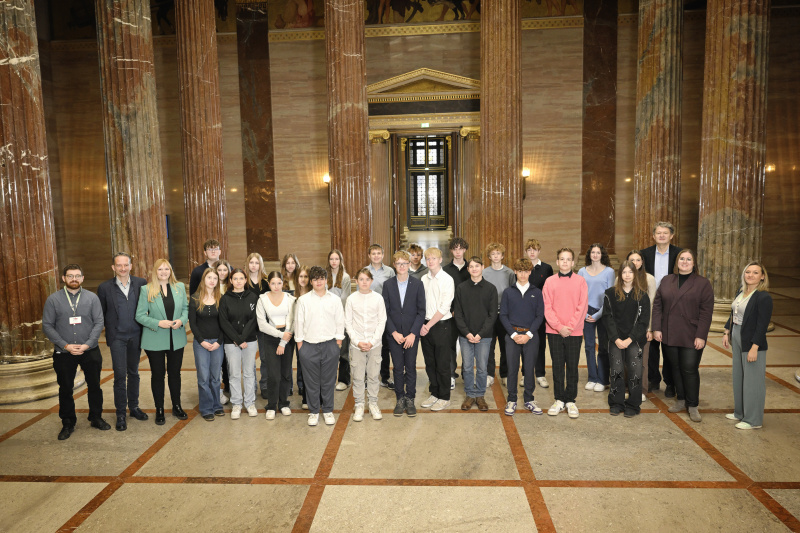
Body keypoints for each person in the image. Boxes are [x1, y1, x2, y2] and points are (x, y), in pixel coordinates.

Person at [43, 264, 108, 440]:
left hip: (90, 350)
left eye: (77, 276)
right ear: (64, 278)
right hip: (64, 352)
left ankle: (96, 417)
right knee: (65, 389)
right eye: (70, 276)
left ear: (82, 278)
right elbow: (47, 326)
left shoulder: (92, 298)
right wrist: (65, 345)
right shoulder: (53, 300)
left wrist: (87, 344)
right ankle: (68, 422)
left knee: (94, 386)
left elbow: (99, 322)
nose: (74, 279)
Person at [652, 249, 713, 423]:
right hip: (669, 332)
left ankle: (692, 404)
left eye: (688, 259)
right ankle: (681, 399)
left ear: (694, 263)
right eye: (682, 259)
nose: (685, 262)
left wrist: (701, 335)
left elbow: (706, 312)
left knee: (689, 368)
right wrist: (657, 328)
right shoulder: (666, 280)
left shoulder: (702, 283)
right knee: (675, 367)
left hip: (691, 333)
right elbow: (657, 306)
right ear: (677, 262)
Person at [96, 252, 148, 431]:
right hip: (117, 337)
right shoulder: (104, 288)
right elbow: (100, 314)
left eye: (126, 265)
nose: (123, 268)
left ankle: (133, 407)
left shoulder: (141, 283)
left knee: (134, 372)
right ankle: (120, 413)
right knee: (119, 375)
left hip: (136, 335)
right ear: (113, 267)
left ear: (131, 266)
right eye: (119, 265)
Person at [135, 259, 189, 425]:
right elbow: (140, 315)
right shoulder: (146, 289)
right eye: (160, 269)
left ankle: (177, 406)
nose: (164, 272)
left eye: (167, 269)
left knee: (175, 374)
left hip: (176, 338)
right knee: (158, 375)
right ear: (155, 272)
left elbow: (186, 309)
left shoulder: (179, 287)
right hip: (155, 339)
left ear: (170, 271)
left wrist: (181, 320)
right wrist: (158, 323)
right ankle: (159, 409)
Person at [722, 262, 773, 430]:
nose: (751, 275)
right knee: (739, 376)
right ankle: (740, 412)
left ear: (762, 276)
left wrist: (755, 347)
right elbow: (734, 312)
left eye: (755, 272)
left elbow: (762, 325)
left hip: (752, 341)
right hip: (737, 335)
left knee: (753, 381)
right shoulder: (742, 292)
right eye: (748, 272)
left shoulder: (763, 297)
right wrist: (726, 331)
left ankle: (753, 420)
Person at [295, 266, 346, 426]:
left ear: (326, 280)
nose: (319, 281)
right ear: (311, 281)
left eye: (322, 278)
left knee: (329, 380)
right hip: (308, 345)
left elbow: (340, 321)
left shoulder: (335, 299)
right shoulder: (303, 300)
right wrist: (300, 345)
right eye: (315, 279)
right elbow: (299, 322)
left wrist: (338, 342)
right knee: (311, 381)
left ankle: (328, 410)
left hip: (330, 344)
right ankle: (314, 411)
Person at [543, 248, 588, 419]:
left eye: (568, 259)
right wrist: (558, 327)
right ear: (557, 262)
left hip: (574, 332)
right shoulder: (549, 281)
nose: (565, 262)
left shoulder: (580, 281)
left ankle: (570, 400)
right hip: (554, 331)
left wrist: (569, 327)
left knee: (572, 366)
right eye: (562, 259)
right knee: (557, 366)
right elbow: (547, 306)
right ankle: (559, 399)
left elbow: (582, 306)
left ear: (573, 262)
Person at [603, 261, 650, 417]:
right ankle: (616, 402)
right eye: (624, 272)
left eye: (630, 272)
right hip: (615, 339)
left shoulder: (642, 296)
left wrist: (630, 339)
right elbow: (607, 318)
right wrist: (616, 338)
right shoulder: (610, 294)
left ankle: (633, 404)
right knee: (616, 371)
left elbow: (643, 321)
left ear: (635, 274)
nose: (627, 275)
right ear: (620, 275)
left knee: (635, 372)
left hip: (634, 340)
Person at [382, 251, 426, 417]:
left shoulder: (417, 284)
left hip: (411, 335)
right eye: (398, 263)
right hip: (394, 334)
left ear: (409, 265)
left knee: (411, 366)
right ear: (394, 265)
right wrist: (393, 332)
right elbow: (385, 312)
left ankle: (410, 398)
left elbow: (421, 312)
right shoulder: (388, 285)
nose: (401, 266)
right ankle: (400, 398)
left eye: (404, 263)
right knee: (398, 368)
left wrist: (414, 333)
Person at [499, 257, 545, 416]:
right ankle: (512, 399)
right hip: (512, 335)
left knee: (529, 368)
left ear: (530, 272)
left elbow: (540, 316)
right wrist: (513, 334)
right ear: (515, 272)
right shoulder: (508, 292)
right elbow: (503, 315)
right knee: (512, 368)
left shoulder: (537, 292)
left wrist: (529, 334)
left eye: (526, 271)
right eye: (520, 271)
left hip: (531, 336)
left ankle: (529, 399)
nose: (523, 274)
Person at [641, 222, 682, 397]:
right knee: (651, 345)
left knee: (669, 345)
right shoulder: (645, 254)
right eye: (659, 233)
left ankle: (670, 382)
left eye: (665, 233)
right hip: (651, 303)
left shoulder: (679, 254)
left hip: (672, 304)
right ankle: (653, 379)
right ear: (654, 236)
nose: (662, 236)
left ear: (671, 236)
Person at [453, 256, 498, 411]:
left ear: (482, 267)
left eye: (477, 266)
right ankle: (470, 394)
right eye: (471, 266)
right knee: (466, 367)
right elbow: (457, 313)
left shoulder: (491, 289)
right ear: (468, 269)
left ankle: (480, 395)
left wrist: (480, 334)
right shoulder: (461, 288)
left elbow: (493, 315)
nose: (474, 269)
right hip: (465, 335)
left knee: (482, 367)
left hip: (484, 336)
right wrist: (466, 333)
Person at [345, 268, 387, 421]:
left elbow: (382, 321)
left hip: (374, 344)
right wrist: (357, 341)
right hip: (357, 345)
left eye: (367, 280)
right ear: (356, 281)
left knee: (374, 375)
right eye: (361, 279)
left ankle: (373, 403)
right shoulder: (351, 299)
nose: (364, 282)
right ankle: (359, 404)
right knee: (357, 376)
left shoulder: (378, 299)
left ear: (371, 281)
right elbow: (348, 323)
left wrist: (372, 341)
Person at [219, 268, 260, 420]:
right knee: (234, 373)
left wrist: (243, 338)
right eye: (235, 279)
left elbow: (254, 319)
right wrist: (237, 339)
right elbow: (224, 321)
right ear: (230, 281)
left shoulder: (253, 297)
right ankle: (237, 403)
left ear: (245, 280)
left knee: (249, 372)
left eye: (241, 278)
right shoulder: (225, 298)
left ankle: (250, 403)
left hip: (249, 341)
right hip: (231, 342)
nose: (238, 281)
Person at [256, 272, 296, 420]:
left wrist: (284, 341)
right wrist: (280, 337)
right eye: (273, 283)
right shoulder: (262, 299)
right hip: (271, 336)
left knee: (286, 373)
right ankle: (272, 405)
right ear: (269, 284)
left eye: (279, 283)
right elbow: (262, 324)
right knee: (273, 374)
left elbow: (292, 321)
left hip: (288, 336)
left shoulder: (290, 299)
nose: (276, 286)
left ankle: (284, 403)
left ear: (282, 283)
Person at [420, 247, 455, 411]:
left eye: (433, 258)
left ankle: (444, 396)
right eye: (428, 259)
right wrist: (422, 324)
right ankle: (434, 393)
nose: (430, 261)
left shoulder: (447, 279)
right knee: (430, 363)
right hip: (425, 325)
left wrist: (427, 326)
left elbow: (444, 307)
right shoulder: (423, 279)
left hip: (442, 326)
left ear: (440, 260)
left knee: (442, 364)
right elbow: (419, 304)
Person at [188, 268, 225, 421]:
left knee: (215, 377)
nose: (212, 281)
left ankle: (217, 406)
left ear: (218, 281)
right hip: (200, 343)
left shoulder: (221, 298)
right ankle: (206, 408)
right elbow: (193, 323)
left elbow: (224, 323)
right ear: (204, 280)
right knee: (203, 377)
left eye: (215, 278)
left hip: (217, 343)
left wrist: (219, 342)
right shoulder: (195, 298)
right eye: (209, 277)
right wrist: (201, 341)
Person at [577, 243, 615, 392]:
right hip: (586, 312)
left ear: (602, 254)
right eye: (593, 252)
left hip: (603, 312)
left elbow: (610, 295)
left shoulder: (609, 271)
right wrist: (585, 314)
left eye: (598, 252)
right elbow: (579, 294)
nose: (595, 255)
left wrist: (599, 314)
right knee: (589, 346)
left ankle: (603, 379)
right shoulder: (582, 271)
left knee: (604, 347)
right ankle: (592, 377)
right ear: (589, 254)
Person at [482, 242, 516, 388]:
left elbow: (513, 293)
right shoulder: (484, 273)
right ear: (489, 256)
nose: (496, 256)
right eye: (493, 254)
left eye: (498, 253)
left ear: (502, 256)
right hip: (489, 315)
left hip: (504, 315)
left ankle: (505, 374)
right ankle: (489, 374)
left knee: (505, 346)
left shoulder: (509, 273)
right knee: (488, 346)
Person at [626, 250, 656, 402]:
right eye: (632, 260)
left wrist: (649, 328)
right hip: (625, 327)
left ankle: (641, 389)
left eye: (638, 260)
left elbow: (651, 305)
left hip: (642, 326)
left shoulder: (649, 279)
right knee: (626, 359)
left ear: (642, 262)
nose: (635, 263)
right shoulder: (621, 278)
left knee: (642, 360)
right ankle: (628, 387)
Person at [366, 243, 395, 389]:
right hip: (369, 314)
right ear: (369, 255)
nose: (376, 255)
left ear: (383, 255)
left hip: (385, 313)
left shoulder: (390, 271)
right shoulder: (365, 271)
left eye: (379, 253)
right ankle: (368, 377)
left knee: (385, 346)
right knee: (369, 345)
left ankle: (385, 377)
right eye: (373, 253)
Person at [526, 239, 554, 389]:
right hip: (524, 311)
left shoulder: (546, 268)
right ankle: (525, 374)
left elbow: (550, 290)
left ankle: (541, 374)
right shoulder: (522, 267)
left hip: (541, 311)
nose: (532, 252)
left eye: (535, 249)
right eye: (529, 249)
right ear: (526, 251)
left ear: (539, 251)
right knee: (525, 343)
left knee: (540, 343)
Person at [443, 237, 470, 388]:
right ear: (451, 250)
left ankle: (467, 374)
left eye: (460, 248)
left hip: (469, 315)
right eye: (455, 248)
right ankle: (451, 375)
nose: (458, 251)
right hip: (451, 314)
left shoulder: (472, 268)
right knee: (451, 345)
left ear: (465, 249)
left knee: (467, 344)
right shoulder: (445, 270)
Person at [326, 249, 352, 391]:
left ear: (340, 261)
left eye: (337, 259)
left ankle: (344, 379)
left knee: (343, 351)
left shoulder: (345, 277)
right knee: (330, 351)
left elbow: (345, 297)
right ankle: (329, 379)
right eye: (332, 259)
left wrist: (332, 304)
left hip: (341, 316)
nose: (334, 261)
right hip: (327, 318)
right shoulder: (325, 275)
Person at [246, 252, 270, 399]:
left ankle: (265, 385)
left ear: (260, 264)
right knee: (249, 359)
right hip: (248, 325)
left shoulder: (266, 282)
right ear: (247, 264)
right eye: (251, 262)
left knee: (265, 357)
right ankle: (251, 386)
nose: (254, 265)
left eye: (257, 262)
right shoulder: (243, 281)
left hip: (262, 325)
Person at [213, 258, 233, 404]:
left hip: (229, 326)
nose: (222, 272)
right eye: (219, 270)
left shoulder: (231, 287)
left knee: (229, 359)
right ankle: (218, 388)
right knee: (218, 359)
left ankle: (229, 385)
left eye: (224, 270)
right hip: (215, 326)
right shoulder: (211, 285)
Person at [294, 265, 312, 409]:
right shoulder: (292, 295)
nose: (303, 279)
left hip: (310, 334)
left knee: (310, 365)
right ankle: (301, 386)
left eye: (306, 276)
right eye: (301, 276)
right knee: (300, 362)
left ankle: (309, 394)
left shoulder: (314, 294)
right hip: (295, 334)